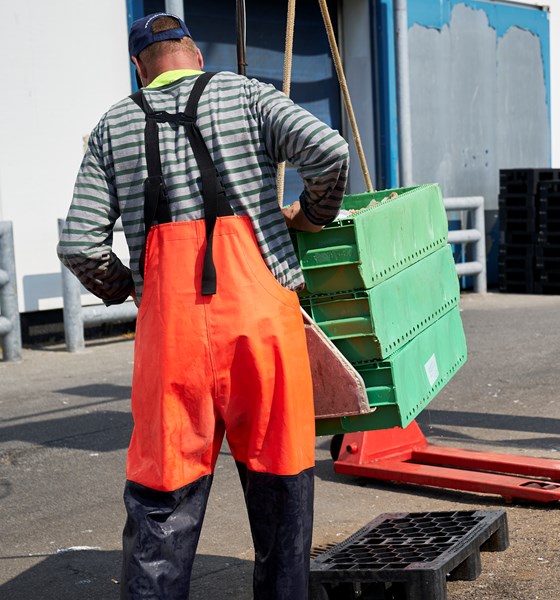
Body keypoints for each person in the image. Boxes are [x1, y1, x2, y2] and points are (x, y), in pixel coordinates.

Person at [57, 13, 349, 600]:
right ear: (193, 52)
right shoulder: (248, 96)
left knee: (163, 499)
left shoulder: (112, 126)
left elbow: (80, 243)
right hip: (264, 330)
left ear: (138, 68)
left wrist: (132, 289)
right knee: (280, 488)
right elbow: (329, 151)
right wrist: (310, 215)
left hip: (173, 341)